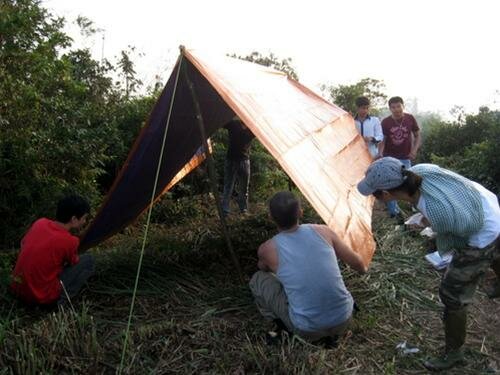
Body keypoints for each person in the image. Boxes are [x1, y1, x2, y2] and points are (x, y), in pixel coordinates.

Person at [357, 157, 500, 371]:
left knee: (452, 295)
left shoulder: (437, 211)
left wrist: (427, 223)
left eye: (375, 194)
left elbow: (459, 233)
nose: (376, 199)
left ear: (386, 194)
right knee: (496, 250)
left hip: (483, 228)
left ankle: (455, 352)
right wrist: (426, 219)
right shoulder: (420, 170)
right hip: (487, 203)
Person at [249, 191, 367, 342]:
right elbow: (359, 264)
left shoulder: (267, 249)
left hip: (306, 330)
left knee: (258, 279)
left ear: (270, 217)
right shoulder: (324, 231)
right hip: (344, 319)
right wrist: (363, 268)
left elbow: (263, 268)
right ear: (300, 212)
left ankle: (280, 324)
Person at [11, 195, 95, 306]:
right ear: (74, 219)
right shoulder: (70, 241)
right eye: (84, 218)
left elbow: (23, 243)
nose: (84, 222)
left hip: (17, 289)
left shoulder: (40, 223)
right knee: (88, 259)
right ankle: (61, 301)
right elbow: (73, 262)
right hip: (40, 298)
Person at [378, 96, 421, 219]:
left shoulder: (410, 118)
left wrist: (414, 150)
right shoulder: (385, 122)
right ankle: (394, 213)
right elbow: (383, 140)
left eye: (398, 106)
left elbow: (417, 135)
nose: (396, 109)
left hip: (405, 157)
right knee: (390, 185)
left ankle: (416, 209)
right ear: (390, 108)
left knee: (410, 183)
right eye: (393, 107)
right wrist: (380, 153)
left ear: (403, 106)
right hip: (389, 158)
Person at [221, 117, 255, 216]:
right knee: (228, 186)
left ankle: (243, 209)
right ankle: (225, 210)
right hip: (231, 160)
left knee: (244, 188)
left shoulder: (252, 128)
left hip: (244, 161)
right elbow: (221, 122)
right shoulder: (233, 124)